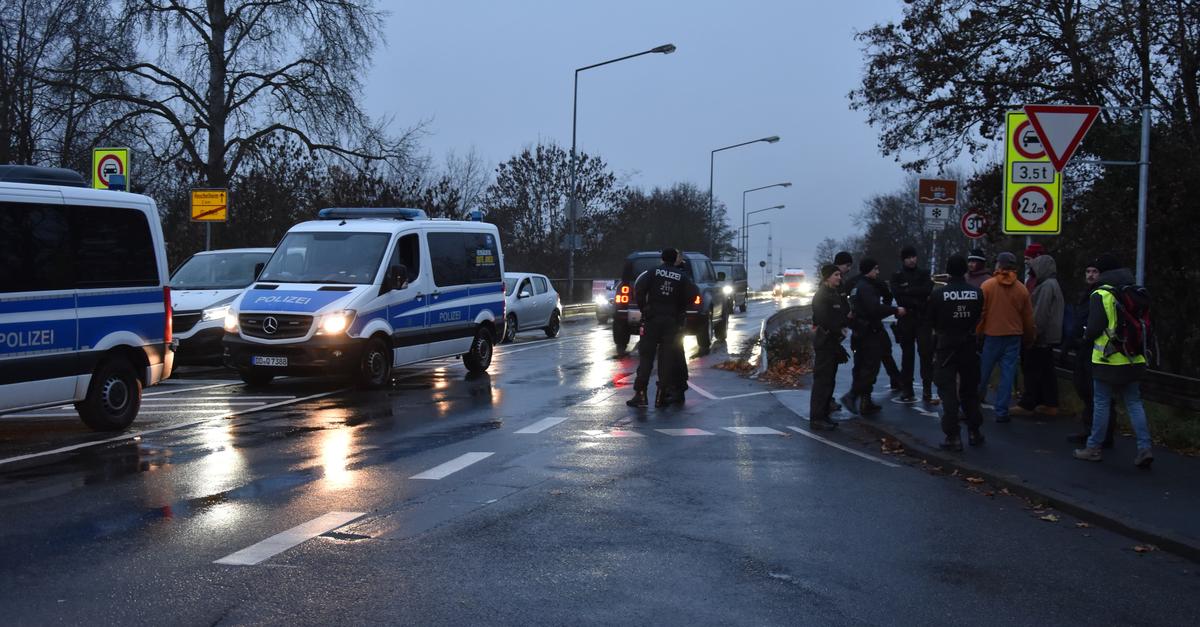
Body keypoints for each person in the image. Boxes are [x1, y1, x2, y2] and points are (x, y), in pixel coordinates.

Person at [1074, 253, 1154, 467]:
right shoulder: (1133, 291)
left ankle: (1093, 447)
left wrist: (1083, 335)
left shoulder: (1101, 293)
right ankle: (1144, 448)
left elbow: (1094, 328)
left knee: (1101, 403)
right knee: (1135, 403)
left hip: (1107, 360)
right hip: (1134, 358)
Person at [928, 255, 985, 450]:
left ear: (948, 271)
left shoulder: (938, 294)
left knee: (948, 392)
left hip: (946, 346)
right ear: (964, 270)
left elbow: (932, 321)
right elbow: (978, 317)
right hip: (969, 345)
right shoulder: (977, 293)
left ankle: (953, 436)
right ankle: (974, 431)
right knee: (970, 391)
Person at [627, 248, 693, 408]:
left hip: (652, 320)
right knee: (666, 359)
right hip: (671, 323)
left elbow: (639, 289)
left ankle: (640, 395)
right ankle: (661, 396)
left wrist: (645, 309)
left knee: (646, 358)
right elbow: (690, 296)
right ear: (675, 259)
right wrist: (679, 313)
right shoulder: (682, 277)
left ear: (662, 258)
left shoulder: (652, 272)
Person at [841, 258, 906, 416]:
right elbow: (874, 309)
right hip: (870, 332)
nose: (878, 272)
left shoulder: (857, 286)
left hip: (861, 332)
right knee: (870, 368)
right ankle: (852, 396)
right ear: (869, 270)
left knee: (864, 367)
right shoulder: (866, 287)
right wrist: (895, 310)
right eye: (875, 269)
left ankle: (865, 401)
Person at [977, 251, 1036, 422]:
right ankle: (1002, 411)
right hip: (1013, 337)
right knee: (1007, 375)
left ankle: (973, 404)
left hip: (992, 335)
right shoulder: (1021, 289)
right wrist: (1029, 337)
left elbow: (982, 313)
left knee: (983, 373)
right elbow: (1028, 317)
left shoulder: (988, 286)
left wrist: (978, 332)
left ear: (998, 265)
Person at [1066, 260, 1113, 447]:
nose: (1090, 275)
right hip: (1085, 349)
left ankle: (1099, 433)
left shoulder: (1101, 294)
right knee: (1086, 390)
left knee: (1095, 393)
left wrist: (1078, 339)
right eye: (1088, 271)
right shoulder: (1087, 294)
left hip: (1095, 349)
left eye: (1094, 271)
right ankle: (1092, 429)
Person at [1011, 254, 1064, 416]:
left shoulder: (1046, 286)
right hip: (1049, 337)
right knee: (1046, 371)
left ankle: (1028, 403)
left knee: (1032, 370)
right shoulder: (1052, 284)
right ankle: (1049, 402)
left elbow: (1040, 313)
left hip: (1040, 337)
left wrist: (1031, 333)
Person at [890, 245, 936, 403]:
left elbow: (927, 290)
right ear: (903, 259)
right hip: (906, 319)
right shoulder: (897, 276)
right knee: (907, 356)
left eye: (913, 257)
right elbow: (899, 296)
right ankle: (907, 389)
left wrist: (909, 291)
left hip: (923, 319)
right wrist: (917, 294)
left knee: (926, 354)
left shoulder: (923, 273)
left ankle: (927, 389)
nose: (911, 260)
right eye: (908, 257)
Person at [810, 264, 850, 430]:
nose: (839, 278)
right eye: (836, 275)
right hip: (825, 342)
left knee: (829, 380)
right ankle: (817, 417)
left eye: (839, 275)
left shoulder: (834, 294)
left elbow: (841, 313)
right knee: (822, 381)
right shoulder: (822, 295)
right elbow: (823, 319)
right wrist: (839, 327)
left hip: (833, 342)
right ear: (827, 277)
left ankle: (824, 413)